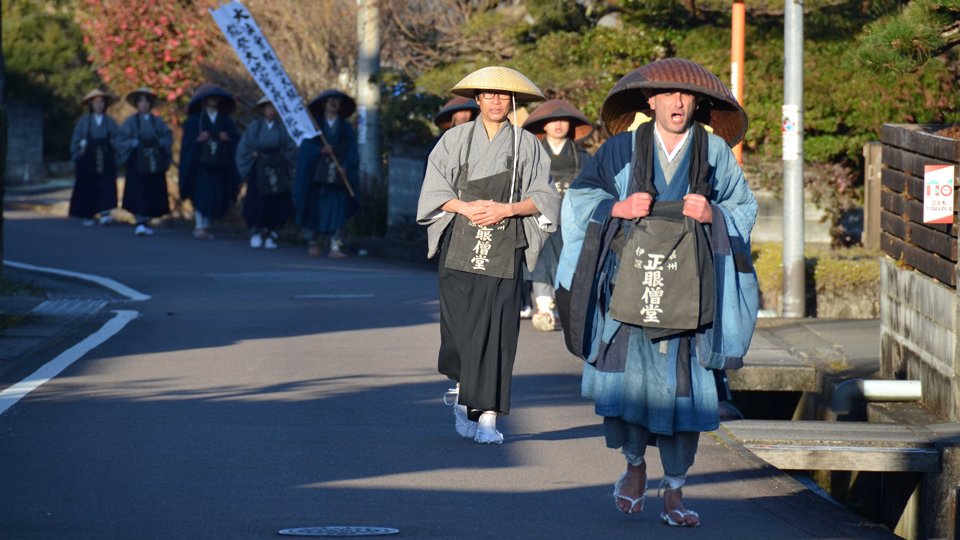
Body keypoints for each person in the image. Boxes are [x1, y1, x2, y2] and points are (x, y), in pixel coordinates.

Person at [557, 58, 758, 526]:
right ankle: (633, 467)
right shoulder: (620, 149)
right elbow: (579, 199)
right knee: (628, 388)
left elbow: (743, 206)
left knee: (685, 395)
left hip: (691, 292)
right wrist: (618, 207)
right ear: (650, 101)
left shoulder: (714, 153)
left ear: (699, 103)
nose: (677, 102)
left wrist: (714, 215)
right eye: (667, 95)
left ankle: (675, 490)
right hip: (631, 285)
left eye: (686, 96)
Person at [417, 66, 561, 444]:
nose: (496, 101)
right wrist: (465, 208)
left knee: (498, 329)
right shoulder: (455, 140)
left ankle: (490, 417)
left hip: (504, 244)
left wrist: (506, 210)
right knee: (460, 326)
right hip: (460, 242)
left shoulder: (526, 144)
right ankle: (464, 397)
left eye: (503, 96)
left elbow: (545, 198)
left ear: (512, 102)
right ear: (477, 99)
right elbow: (434, 191)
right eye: (488, 95)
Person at [521, 99, 593, 331]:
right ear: (544, 126)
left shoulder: (583, 158)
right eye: (553, 121)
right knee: (540, 259)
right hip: (540, 216)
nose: (559, 124)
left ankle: (565, 307)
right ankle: (543, 308)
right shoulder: (533, 157)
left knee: (570, 260)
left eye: (563, 120)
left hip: (573, 219)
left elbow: (591, 188)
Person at [293, 90, 359, 258]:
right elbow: (306, 146)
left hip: (337, 175)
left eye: (336, 101)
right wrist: (320, 149)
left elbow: (352, 149)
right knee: (315, 208)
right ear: (323, 103)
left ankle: (335, 245)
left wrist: (346, 166)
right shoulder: (316, 126)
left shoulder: (345, 127)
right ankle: (313, 242)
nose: (333, 103)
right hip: (318, 174)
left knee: (337, 209)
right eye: (330, 100)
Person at [178, 83, 241, 240]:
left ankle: (207, 225)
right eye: (210, 98)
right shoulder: (194, 121)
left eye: (216, 98)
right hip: (201, 165)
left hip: (220, 164)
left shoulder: (226, 121)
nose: (214, 100)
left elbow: (236, 139)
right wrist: (198, 139)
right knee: (200, 195)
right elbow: (187, 143)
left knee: (217, 195)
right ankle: (199, 225)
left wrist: (228, 139)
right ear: (203, 101)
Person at [236, 96, 297, 249]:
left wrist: (283, 158)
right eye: (268, 107)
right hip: (259, 168)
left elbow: (291, 148)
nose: (271, 110)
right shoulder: (255, 127)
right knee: (257, 200)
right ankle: (256, 230)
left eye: (274, 107)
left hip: (278, 167)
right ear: (263, 110)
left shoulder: (283, 128)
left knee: (277, 201)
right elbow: (244, 147)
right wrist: (253, 154)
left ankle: (271, 232)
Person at [117, 88, 173, 236]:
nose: (144, 104)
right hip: (137, 161)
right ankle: (140, 220)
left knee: (153, 189)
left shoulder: (157, 121)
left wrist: (160, 143)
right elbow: (121, 139)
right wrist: (133, 143)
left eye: (146, 101)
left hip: (154, 160)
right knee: (138, 189)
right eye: (141, 101)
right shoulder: (130, 122)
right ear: (137, 104)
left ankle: (147, 219)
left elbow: (167, 137)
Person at [69, 89, 121, 227]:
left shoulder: (109, 121)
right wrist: (79, 149)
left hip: (106, 155)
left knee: (106, 184)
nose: (99, 105)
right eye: (96, 102)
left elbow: (117, 138)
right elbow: (76, 138)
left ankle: (105, 213)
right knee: (88, 185)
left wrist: (115, 149)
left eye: (101, 102)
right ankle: (87, 213)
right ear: (91, 105)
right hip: (88, 155)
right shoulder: (84, 121)